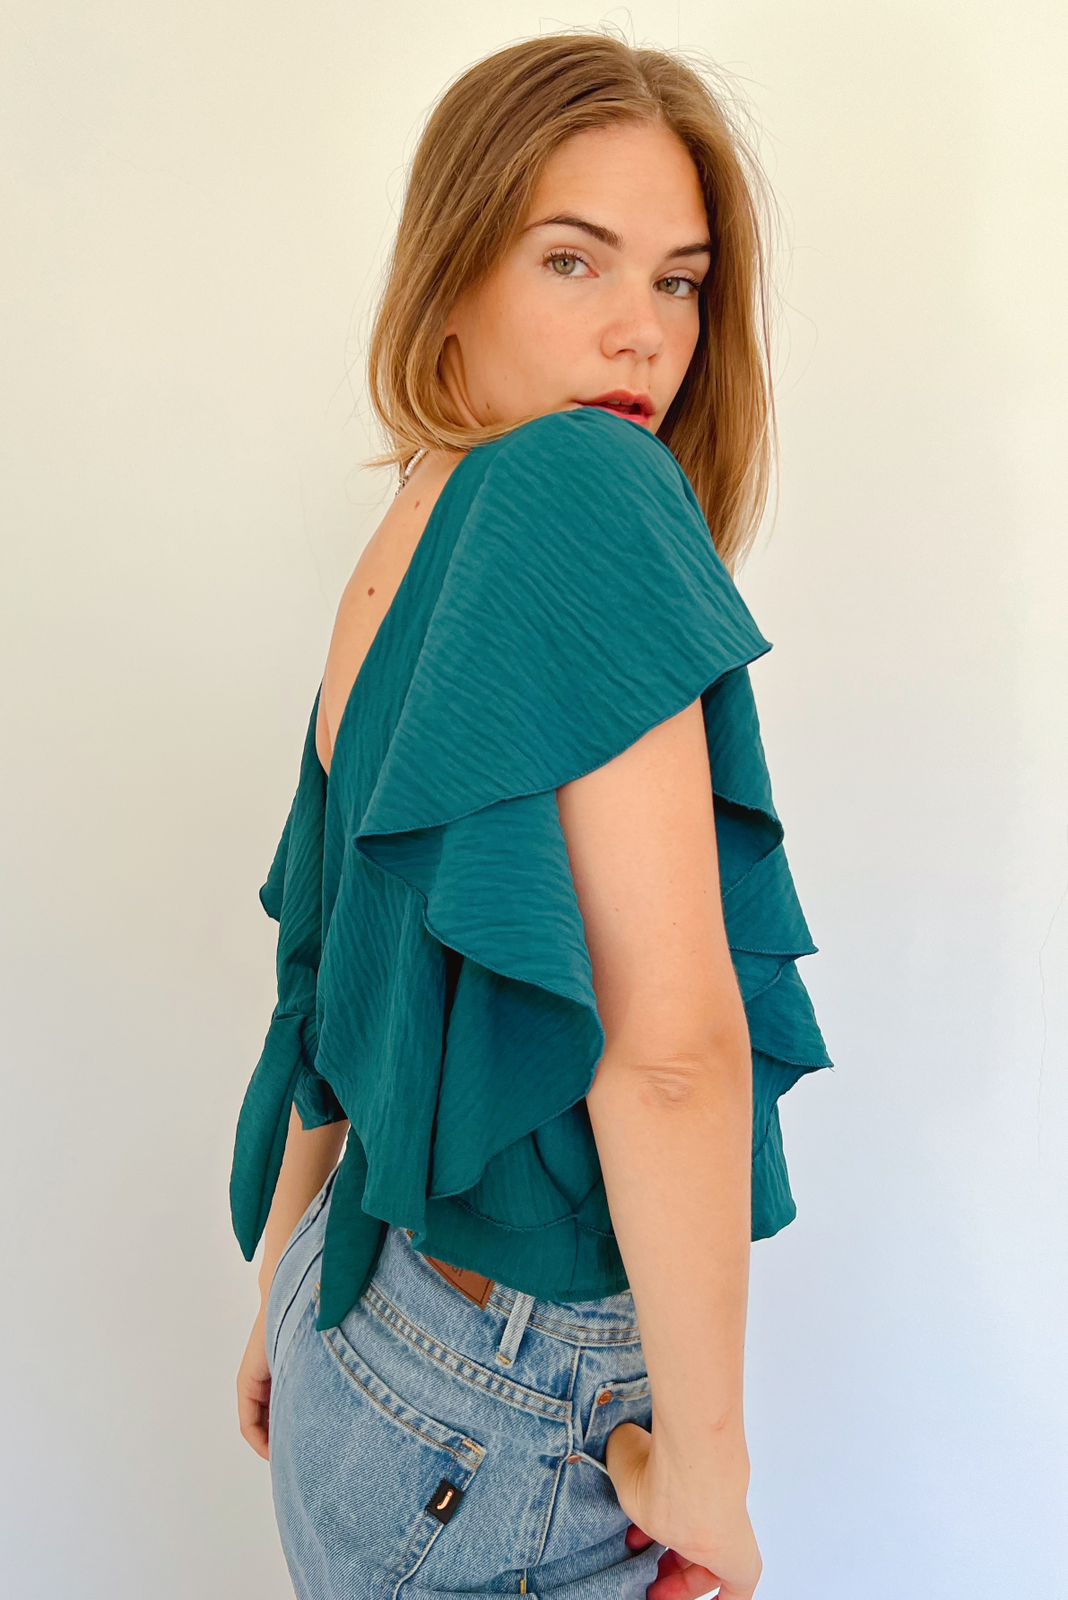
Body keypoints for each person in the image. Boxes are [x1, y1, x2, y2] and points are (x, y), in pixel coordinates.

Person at [231, 30, 833, 1600]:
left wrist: (287, 1286)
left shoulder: (425, 506)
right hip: (505, 1410)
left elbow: (322, 979)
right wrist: (710, 1475)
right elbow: (671, 1052)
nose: (644, 331)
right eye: (575, 260)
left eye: (682, 281)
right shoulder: (581, 490)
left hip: (360, 1320)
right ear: (450, 282)